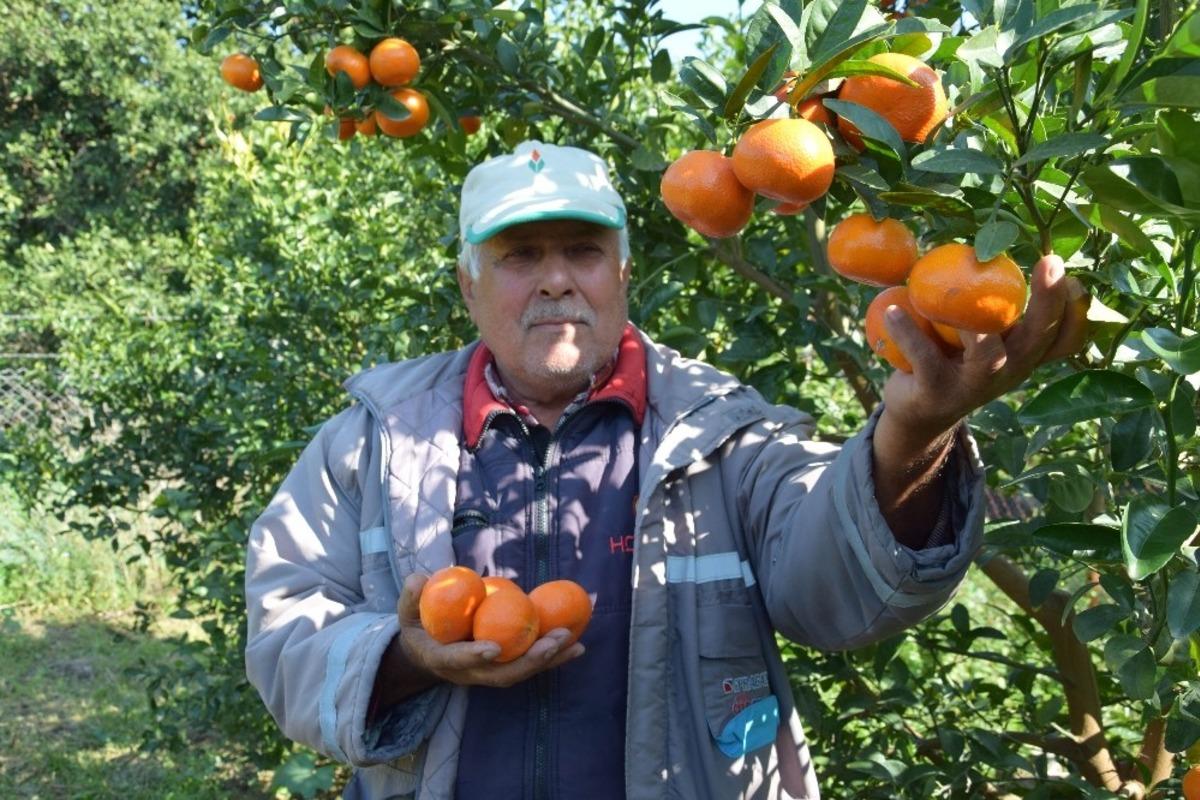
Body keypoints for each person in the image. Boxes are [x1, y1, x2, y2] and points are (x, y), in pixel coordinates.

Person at [245, 140, 1086, 799]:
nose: (555, 281)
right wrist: (407, 657)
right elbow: (284, 632)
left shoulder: (722, 430)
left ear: (621, 272)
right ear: (469, 287)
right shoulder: (372, 442)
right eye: (518, 256)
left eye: (581, 250)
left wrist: (915, 433)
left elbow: (837, 592)